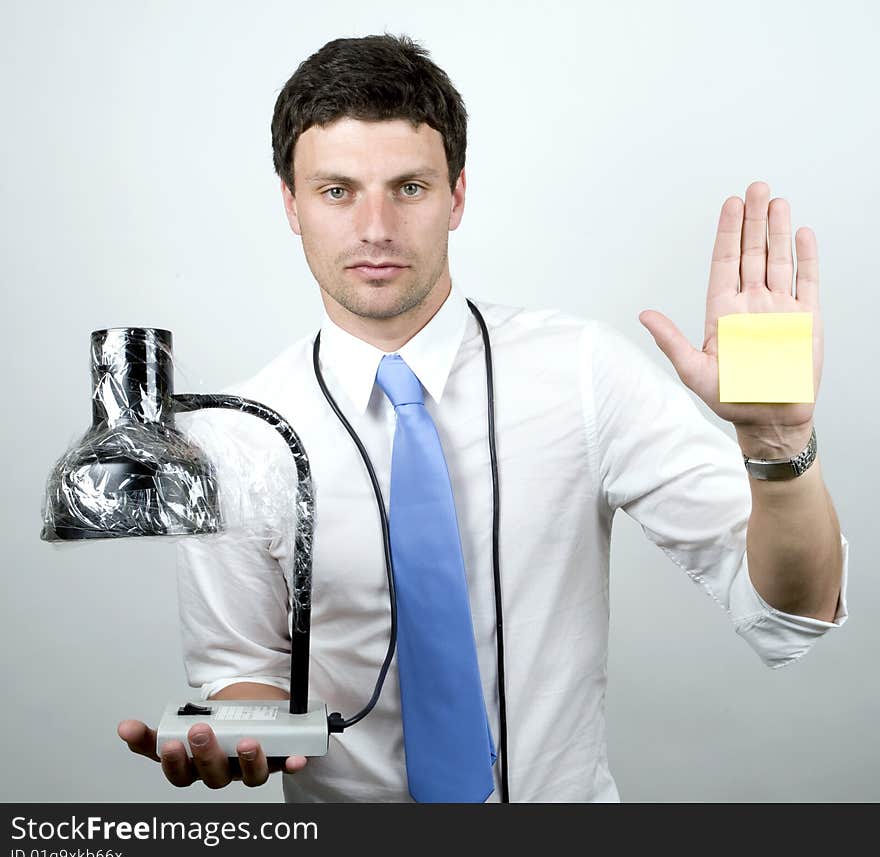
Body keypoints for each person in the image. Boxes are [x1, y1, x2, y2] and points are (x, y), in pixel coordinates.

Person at [117, 33, 849, 802]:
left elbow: (791, 612)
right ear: (290, 204)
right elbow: (242, 673)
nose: (375, 227)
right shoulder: (235, 437)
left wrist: (778, 442)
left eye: (409, 187)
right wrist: (230, 739)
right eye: (337, 191)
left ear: (457, 195)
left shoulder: (581, 373)